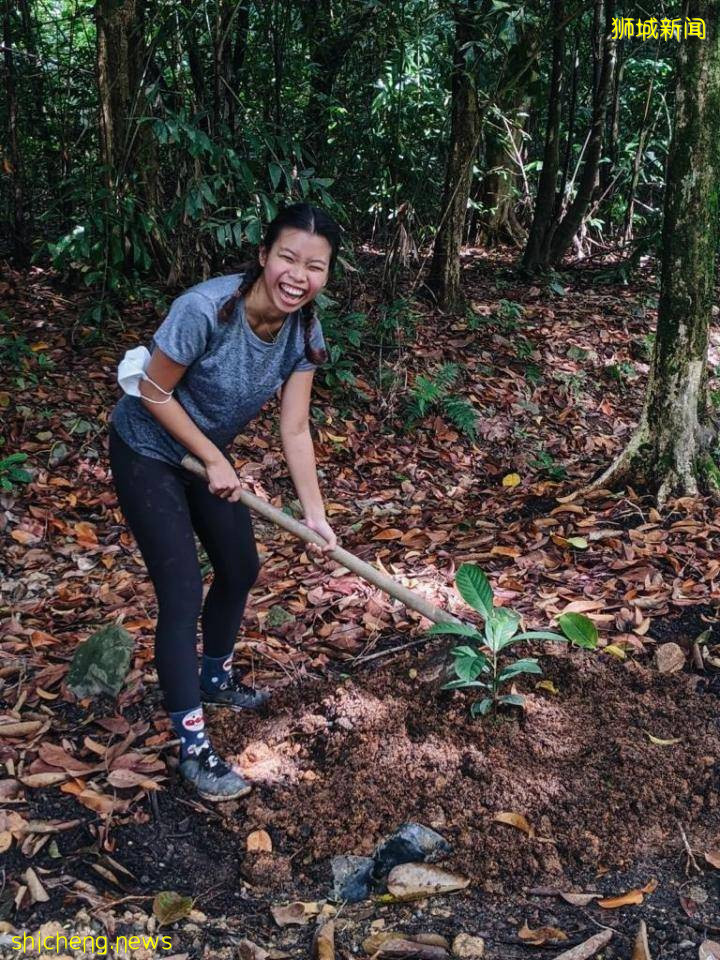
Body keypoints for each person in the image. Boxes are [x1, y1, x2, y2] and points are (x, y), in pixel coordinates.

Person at [108, 203, 340, 802]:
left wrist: (314, 513)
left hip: (209, 458)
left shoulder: (304, 332)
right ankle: (193, 745)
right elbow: (153, 389)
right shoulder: (204, 309)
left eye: (314, 266)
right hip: (148, 449)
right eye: (287, 257)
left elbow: (295, 430)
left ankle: (214, 676)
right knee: (182, 591)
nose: (298, 275)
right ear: (263, 256)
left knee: (240, 565)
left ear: (326, 274)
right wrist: (213, 459)